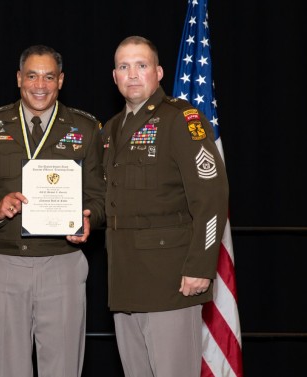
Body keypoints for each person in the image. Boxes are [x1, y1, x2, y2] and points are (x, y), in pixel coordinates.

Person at [0, 45, 105, 377]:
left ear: (61, 81)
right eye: (33, 75)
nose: (41, 85)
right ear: (19, 79)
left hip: (63, 264)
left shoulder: (86, 128)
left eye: (49, 76)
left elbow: (102, 197)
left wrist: (88, 219)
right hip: (4, 263)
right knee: (9, 369)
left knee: (64, 368)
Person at [103, 36, 229, 377]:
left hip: (171, 281)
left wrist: (201, 266)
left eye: (141, 66)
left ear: (158, 72)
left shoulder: (182, 120)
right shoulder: (112, 129)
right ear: (114, 76)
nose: (132, 74)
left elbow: (212, 198)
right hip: (125, 283)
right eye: (124, 67)